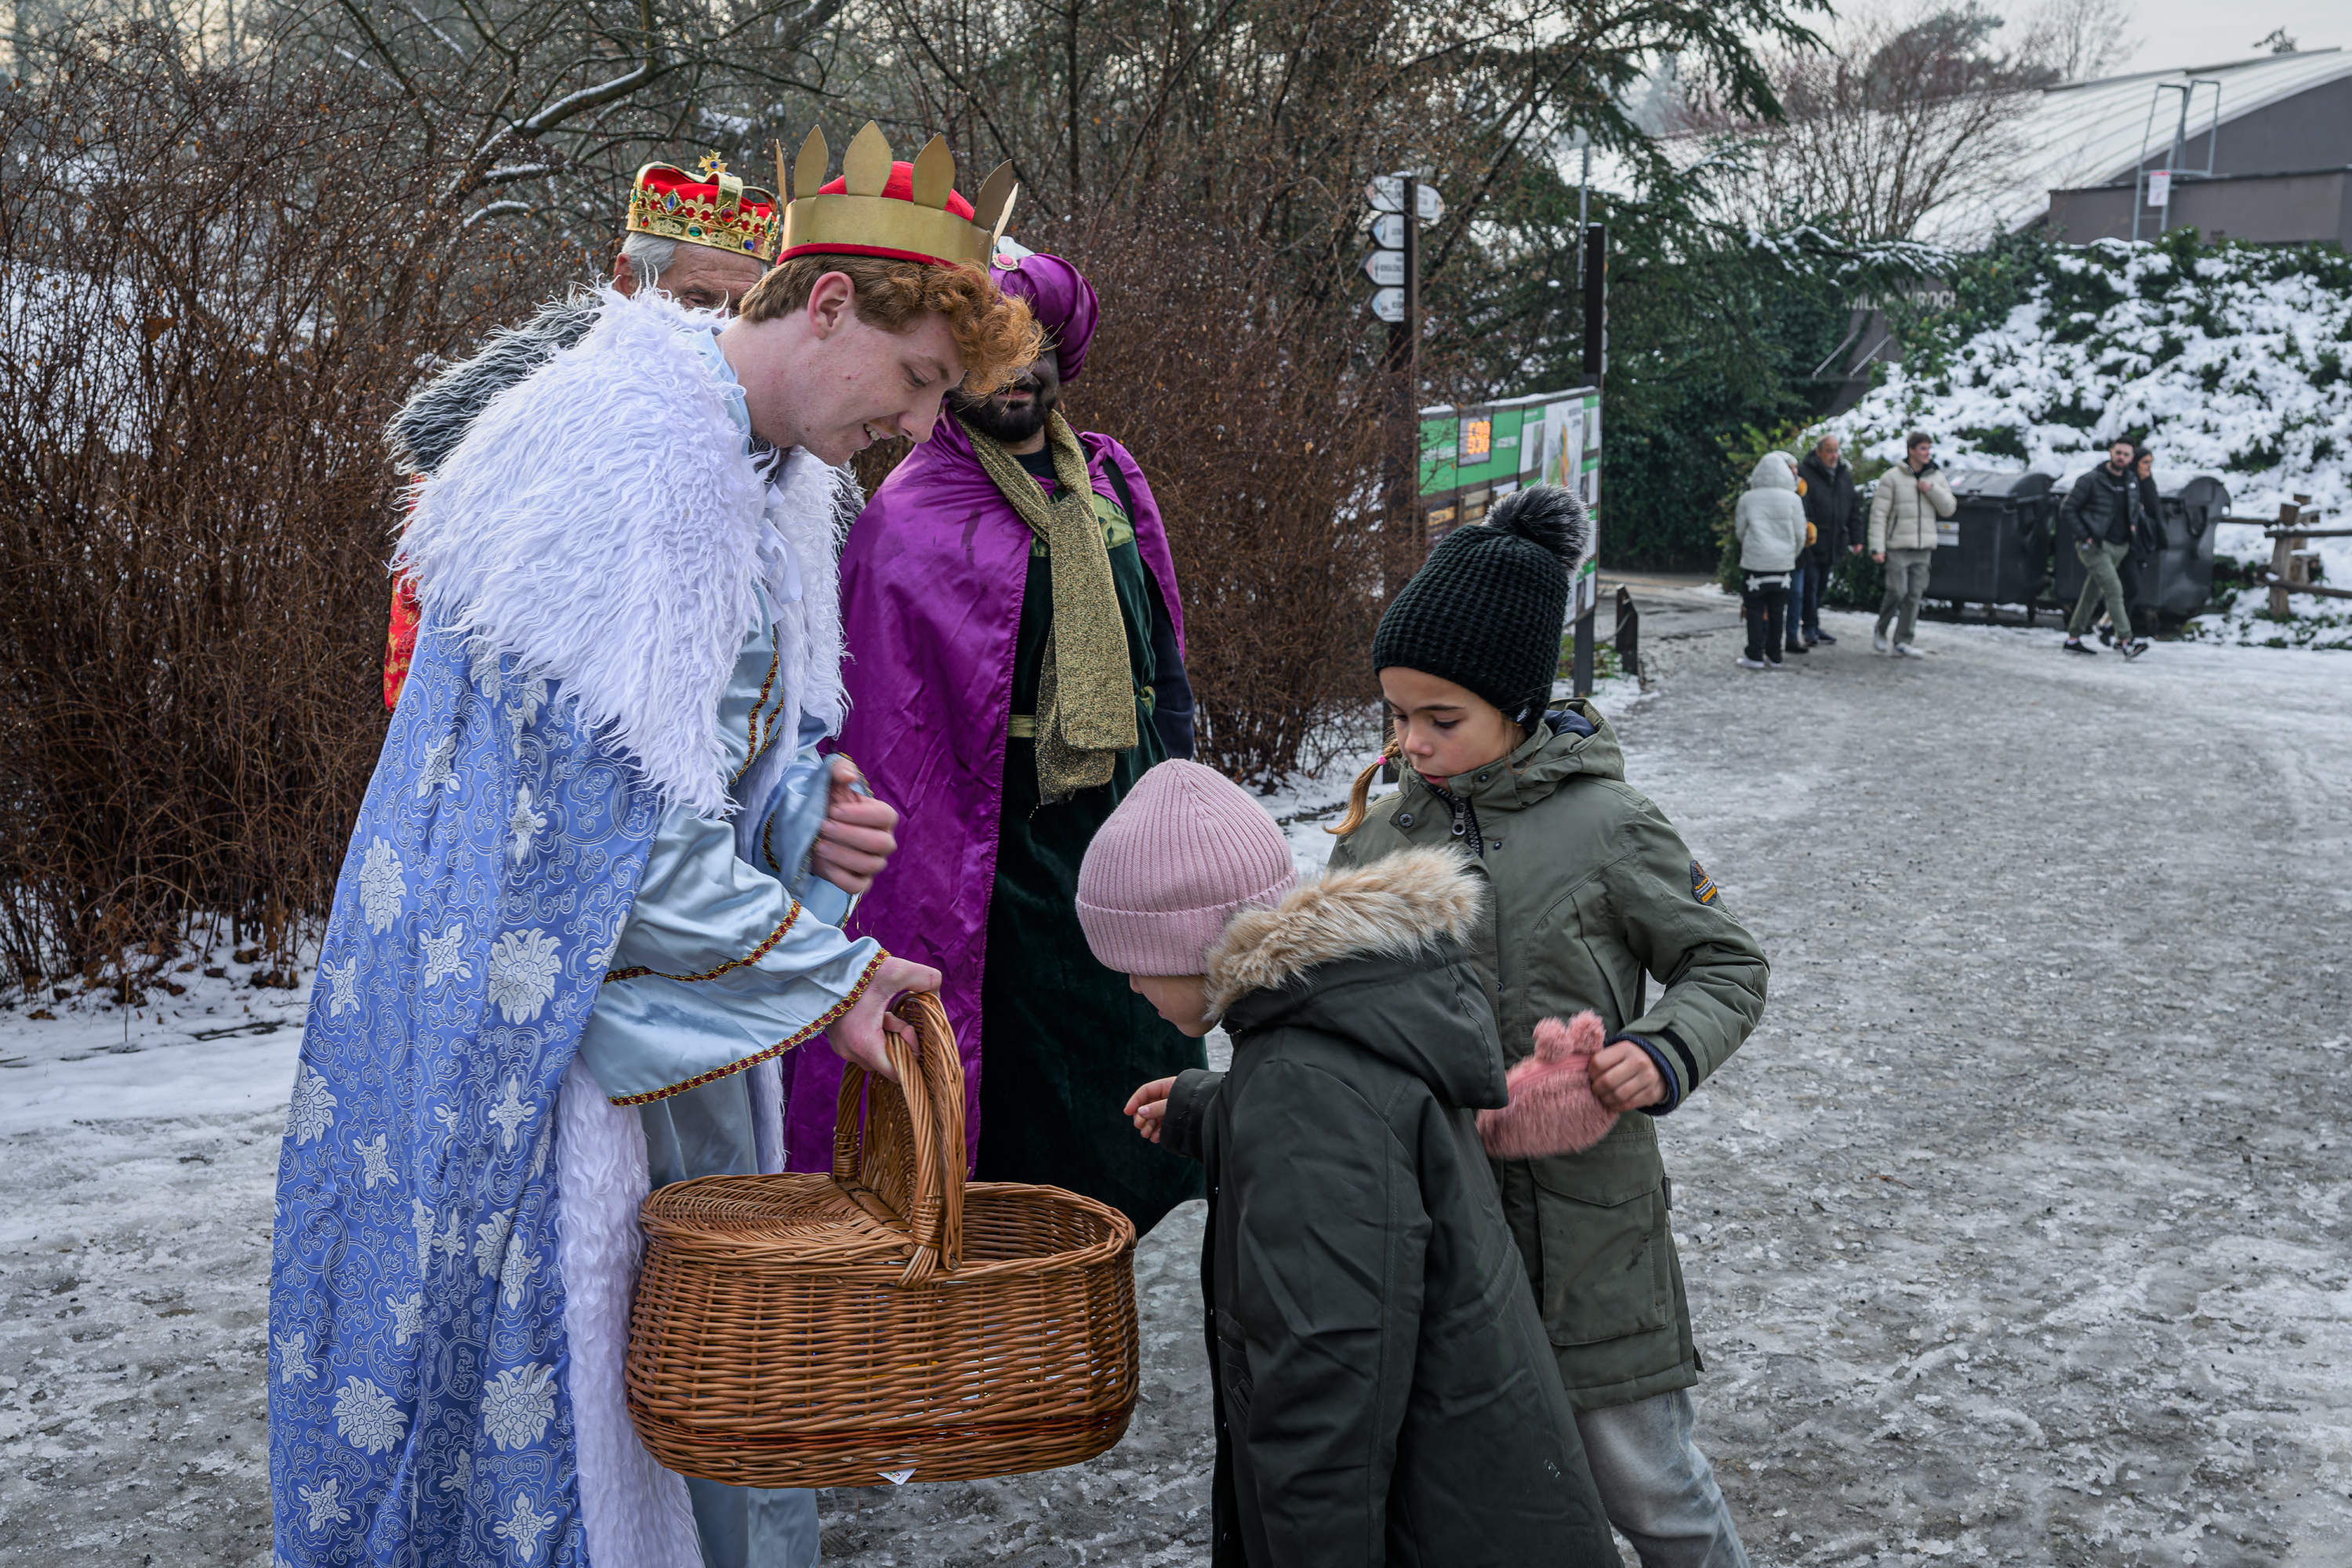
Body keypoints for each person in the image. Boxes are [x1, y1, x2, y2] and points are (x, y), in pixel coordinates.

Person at [270, 123, 1039, 1568]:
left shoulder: (764, 471)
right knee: (562, 1400)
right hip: (521, 1032)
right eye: (920, 379)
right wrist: (836, 974)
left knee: (675, 1373)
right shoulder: (624, 458)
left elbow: (707, 770)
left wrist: (806, 812)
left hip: (647, 1015)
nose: (924, 426)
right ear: (824, 307)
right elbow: (588, 837)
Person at [1328, 485, 1769, 1568]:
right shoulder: (1374, 844)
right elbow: (1329, 1013)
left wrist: (1661, 1053)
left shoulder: (1610, 825)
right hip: (1443, 1230)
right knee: (1489, 1508)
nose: (1413, 744)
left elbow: (1727, 964)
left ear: (1518, 702)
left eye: (1443, 719)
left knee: (1650, 1491)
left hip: (1592, 1241)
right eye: (1397, 716)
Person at [1086, 760, 1620, 1568]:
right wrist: (1224, 1108)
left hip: (1423, 1521)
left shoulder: (1300, 1097)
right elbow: (1361, 1131)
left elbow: (1324, 1381)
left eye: (1134, 956)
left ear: (1193, 941)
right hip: (1472, 1485)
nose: (1129, 982)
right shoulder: (1347, 1014)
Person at [782, 248, 1203, 1235]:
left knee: (1123, 1097)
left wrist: (1178, 782)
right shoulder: (906, 520)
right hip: (994, 862)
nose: (1019, 375)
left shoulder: (1106, 484)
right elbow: (891, 724)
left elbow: (1162, 663)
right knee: (1019, 1117)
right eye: (990, 354)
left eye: (1039, 350)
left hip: (1123, 828)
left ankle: (1105, 1267)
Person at [384, 154, 784, 710]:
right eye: (695, 300)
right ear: (626, 283)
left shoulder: (773, 429)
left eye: (738, 310)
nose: (716, 327)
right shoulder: (514, 418)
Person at [1866, 430, 1955, 658]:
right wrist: (1877, 547)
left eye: (1928, 448)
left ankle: (1903, 640)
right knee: (1897, 591)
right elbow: (1879, 515)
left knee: (1915, 594)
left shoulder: (1935, 477)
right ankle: (1881, 629)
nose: (1927, 453)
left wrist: (1931, 490)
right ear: (1911, 450)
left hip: (1924, 546)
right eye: (1923, 448)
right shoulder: (1891, 478)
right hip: (1897, 545)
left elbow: (1949, 508)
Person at [2060, 437, 2150, 659]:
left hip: (2119, 547)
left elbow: (2134, 510)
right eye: (2118, 452)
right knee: (2114, 589)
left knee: (2092, 593)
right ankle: (2126, 640)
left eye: (2126, 454)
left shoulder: (2130, 481)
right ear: (2111, 452)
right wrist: (2085, 536)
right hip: (2094, 546)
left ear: (2131, 458)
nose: (2121, 457)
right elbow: (2068, 509)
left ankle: (2073, 638)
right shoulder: (2091, 480)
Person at [1732, 452, 1806, 671]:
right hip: (1783, 565)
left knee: (1754, 610)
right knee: (1778, 610)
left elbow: (1740, 531)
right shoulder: (1794, 499)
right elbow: (1800, 534)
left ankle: (1754, 654)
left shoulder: (1748, 498)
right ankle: (1775, 656)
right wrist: (1790, 554)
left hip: (1755, 564)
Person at [1795, 434, 1860, 646]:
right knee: (1811, 585)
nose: (1834, 455)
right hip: (1813, 541)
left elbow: (1853, 509)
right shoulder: (1806, 473)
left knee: (1822, 585)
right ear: (1819, 453)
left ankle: (1814, 623)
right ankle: (1810, 627)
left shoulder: (1842, 475)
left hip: (1834, 541)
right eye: (1830, 451)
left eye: (1836, 450)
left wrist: (1856, 537)